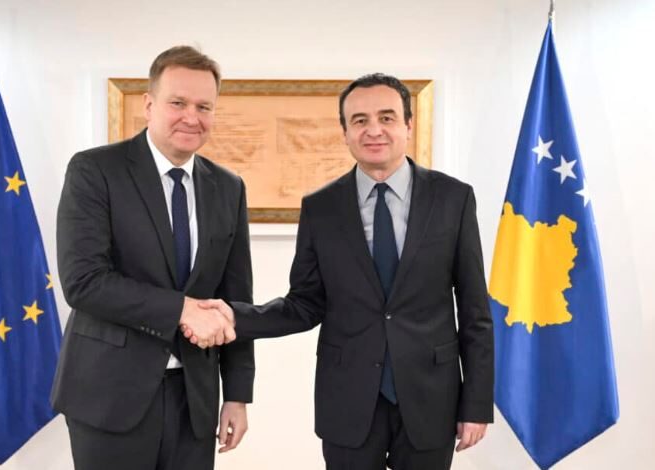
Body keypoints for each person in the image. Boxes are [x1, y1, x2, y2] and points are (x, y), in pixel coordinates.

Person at [188, 73, 494, 470]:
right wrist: (236, 316)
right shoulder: (321, 208)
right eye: (360, 120)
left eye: (386, 117)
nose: (374, 130)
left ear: (408, 124)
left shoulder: (453, 198)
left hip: (431, 398)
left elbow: (474, 311)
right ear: (345, 132)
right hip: (348, 401)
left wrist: (476, 404)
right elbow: (304, 304)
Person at [51, 45, 254, 470]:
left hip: (193, 400)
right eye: (178, 103)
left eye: (204, 107)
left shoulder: (228, 187)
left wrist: (237, 394)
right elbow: (83, 281)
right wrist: (182, 309)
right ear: (149, 104)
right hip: (109, 394)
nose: (191, 117)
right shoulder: (95, 171)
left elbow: (235, 299)